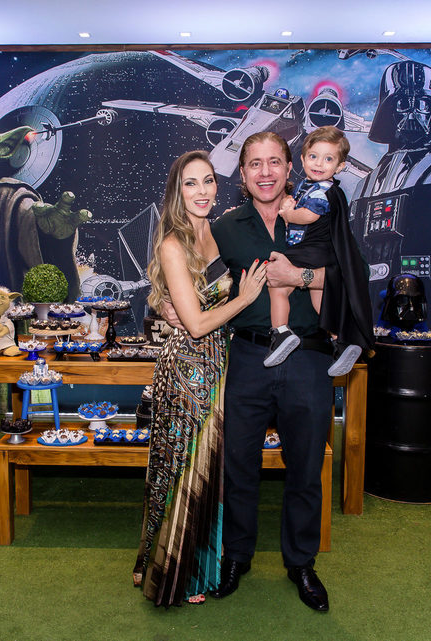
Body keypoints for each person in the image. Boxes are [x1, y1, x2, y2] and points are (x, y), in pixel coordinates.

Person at [164, 132, 336, 612]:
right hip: (247, 359)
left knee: (306, 468)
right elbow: (188, 272)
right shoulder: (225, 227)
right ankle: (237, 558)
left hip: (308, 358)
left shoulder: (319, 215)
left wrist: (298, 277)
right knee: (239, 467)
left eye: (274, 162)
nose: (265, 172)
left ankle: (301, 564)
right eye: (255, 163)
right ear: (241, 174)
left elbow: (349, 275)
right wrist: (167, 305)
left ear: (289, 167)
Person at [134, 150, 267, 607]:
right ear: (178, 191)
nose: (202, 190)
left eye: (208, 180)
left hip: (222, 363)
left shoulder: (220, 230)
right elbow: (194, 324)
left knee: (211, 469)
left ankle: (200, 562)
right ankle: (178, 573)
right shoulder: (174, 243)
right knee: (183, 470)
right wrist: (244, 298)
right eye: (191, 183)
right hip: (187, 369)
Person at [263, 126, 375, 376]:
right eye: (313, 156)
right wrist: (288, 202)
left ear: (340, 166)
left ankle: (281, 332)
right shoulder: (309, 186)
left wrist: (288, 215)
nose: (319, 164)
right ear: (302, 159)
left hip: (309, 250)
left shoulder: (323, 191)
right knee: (321, 300)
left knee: (277, 284)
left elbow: (308, 216)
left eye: (328, 159)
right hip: (321, 254)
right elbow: (295, 200)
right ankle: (340, 339)